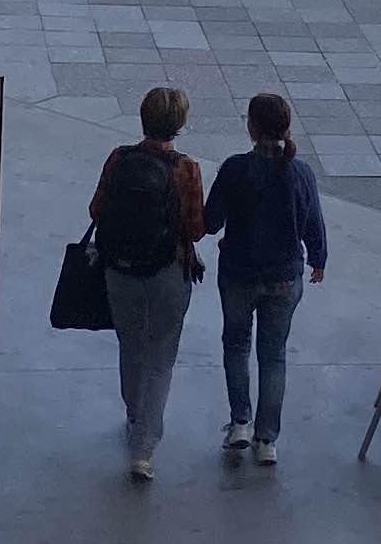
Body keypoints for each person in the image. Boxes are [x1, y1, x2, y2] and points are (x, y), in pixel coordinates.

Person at [202, 89, 327, 465]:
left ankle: (240, 422)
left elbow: (211, 222)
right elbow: (313, 223)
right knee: (273, 356)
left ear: (252, 128)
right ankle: (267, 439)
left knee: (236, 345)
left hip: (239, 273)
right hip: (284, 277)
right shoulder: (300, 173)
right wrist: (318, 259)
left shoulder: (235, 169)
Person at [88, 82, 205, 480]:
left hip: (120, 268)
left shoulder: (119, 158)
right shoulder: (186, 168)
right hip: (169, 270)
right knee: (161, 357)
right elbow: (196, 227)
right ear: (179, 125)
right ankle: (143, 449)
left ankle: (134, 414)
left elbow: (96, 208)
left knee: (131, 344)